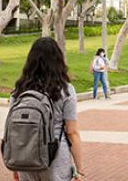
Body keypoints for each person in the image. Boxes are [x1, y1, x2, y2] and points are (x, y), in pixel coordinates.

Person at [10, 37, 84, 181]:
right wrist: (80, 169)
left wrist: (14, 165)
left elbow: (14, 129)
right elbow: (72, 132)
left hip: (25, 156)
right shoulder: (65, 90)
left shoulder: (19, 90)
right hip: (55, 157)